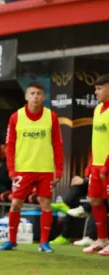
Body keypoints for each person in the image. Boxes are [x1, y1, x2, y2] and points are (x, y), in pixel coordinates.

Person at [0, 82, 63, 253]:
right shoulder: (16, 117)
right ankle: (11, 241)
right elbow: (9, 145)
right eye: (32, 93)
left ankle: (44, 243)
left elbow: (58, 144)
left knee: (46, 203)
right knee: (16, 203)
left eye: (39, 93)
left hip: (45, 168)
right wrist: (11, 169)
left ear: (44, 97)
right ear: (26, 96)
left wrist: (59, 169)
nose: (35, 96)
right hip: (22, 169)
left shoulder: (51, 116)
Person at [82, 75, 109, 255]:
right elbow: (96, 140)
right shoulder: (98, 109)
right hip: (97, 165)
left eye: (99, 88)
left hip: (108, 165)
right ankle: (102, 240)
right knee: (94, 200)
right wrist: (91, 164)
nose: (95, 92)